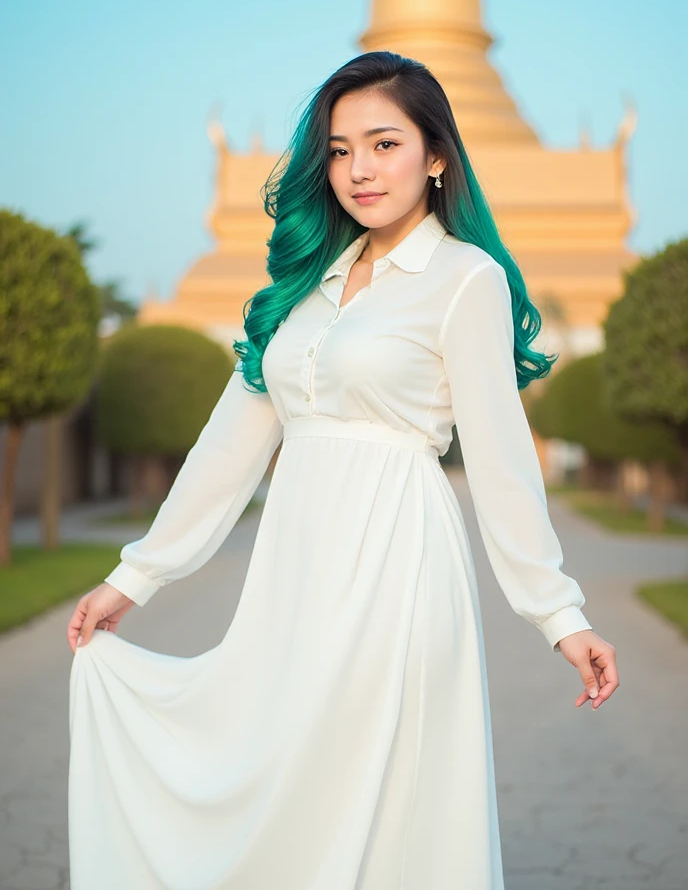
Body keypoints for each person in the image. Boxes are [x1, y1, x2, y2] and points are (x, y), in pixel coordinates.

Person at [66, 50, 619, 889]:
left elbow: (504, 463)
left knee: (377, 798)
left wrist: (559, 615)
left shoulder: (465, 280)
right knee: (287, 780)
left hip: (396, 561)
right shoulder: (304, 286)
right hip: (292, 575)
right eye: (338, 148)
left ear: (437, 156)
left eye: (384, 143)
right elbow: (228, 448)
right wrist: (134, 577)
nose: (358, 169)